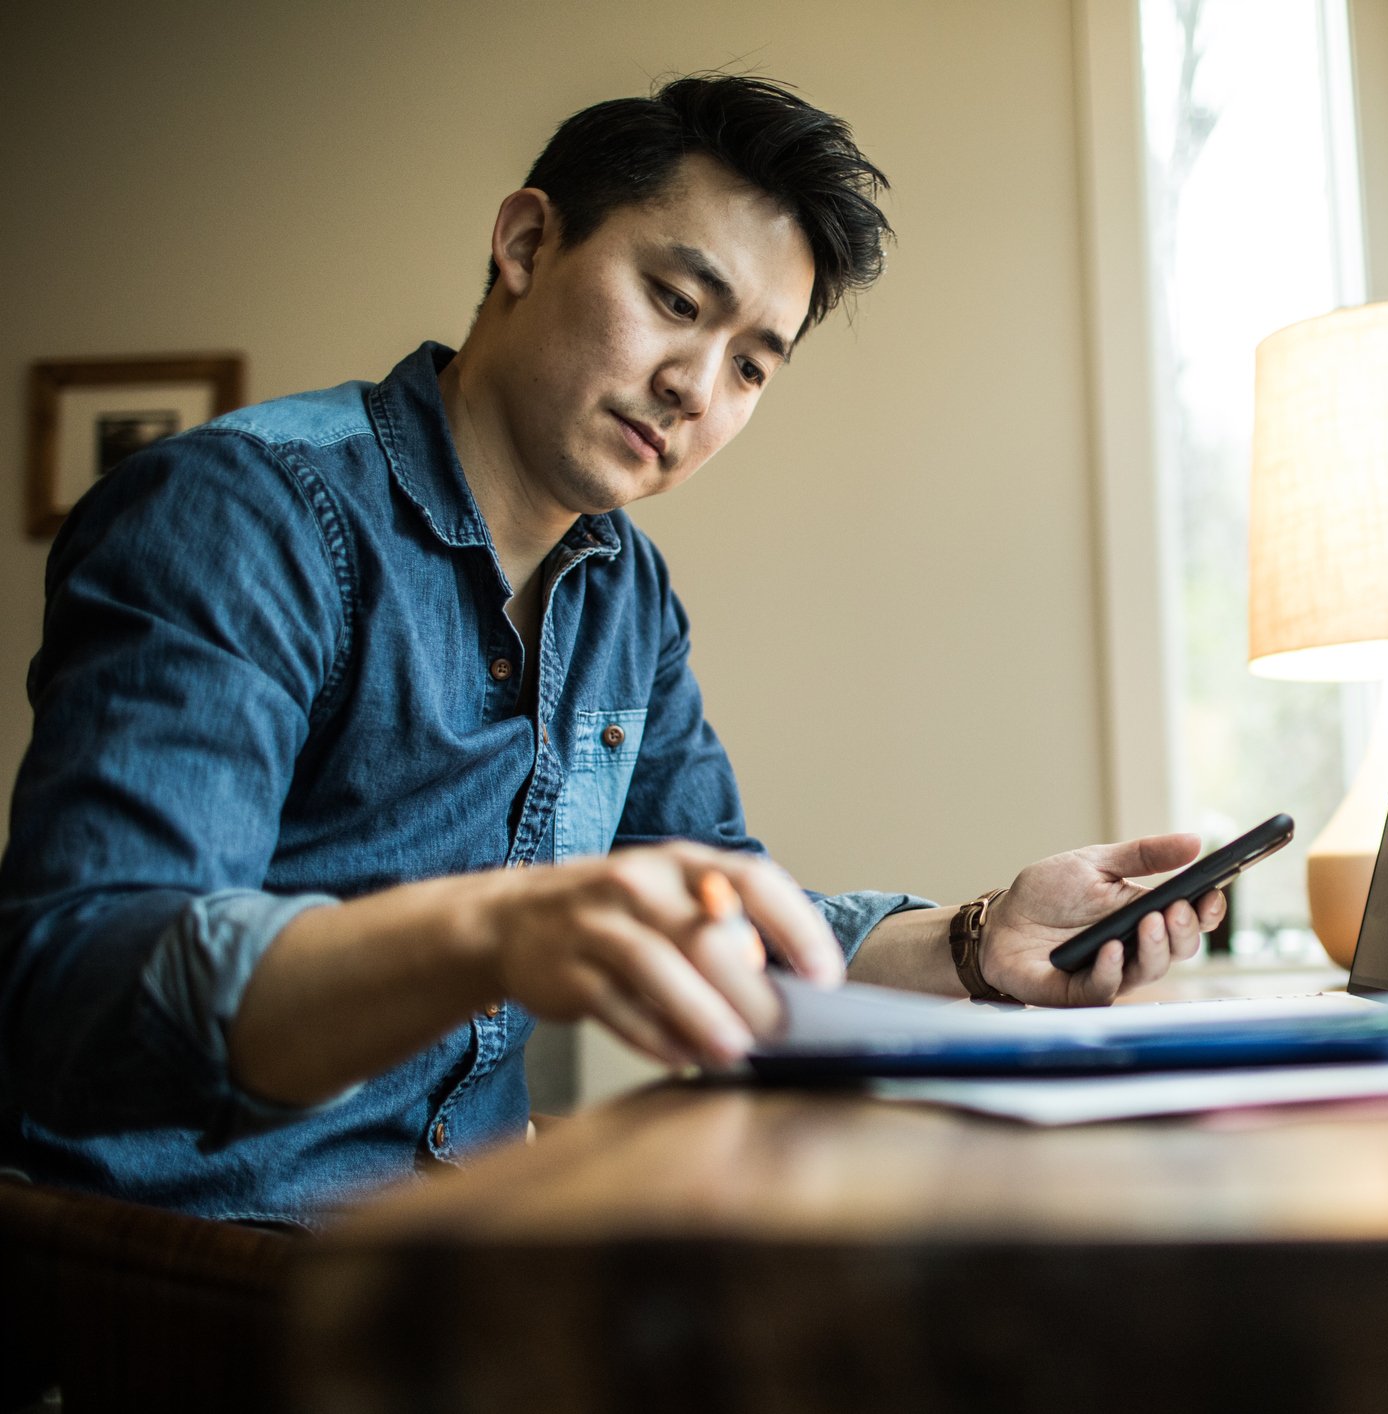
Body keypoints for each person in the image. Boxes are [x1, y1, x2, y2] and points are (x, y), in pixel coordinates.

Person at [0, 75, 1223, 1226]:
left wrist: (984, 939)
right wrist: (487, 932)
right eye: (677, 304)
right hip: (185, 1274)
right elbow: (81, 997)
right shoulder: (242, 516)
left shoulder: (624, 591)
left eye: (752, 363)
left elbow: (727, 910)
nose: (697, 386)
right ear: (528, 243)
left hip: (463, 1259)